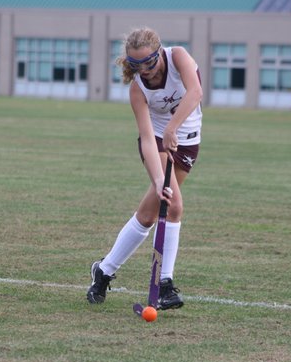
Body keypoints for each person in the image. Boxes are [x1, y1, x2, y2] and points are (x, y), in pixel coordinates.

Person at [86, 28, 203, 310]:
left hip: (188, 142)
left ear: (159, 52)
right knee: (173, 205)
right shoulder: (137, 88)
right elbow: (148, 138)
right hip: (158, 145)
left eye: (149, 62)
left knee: (149, 215)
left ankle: (103, 270)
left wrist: (174, 128)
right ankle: (165, 285)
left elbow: (196, 92)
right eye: (136, 65)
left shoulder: (178, 57)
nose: (145, 70)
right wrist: (156, 175)